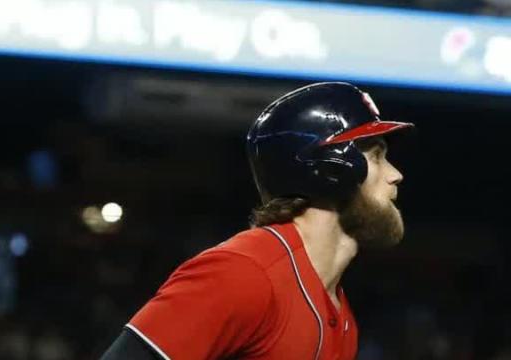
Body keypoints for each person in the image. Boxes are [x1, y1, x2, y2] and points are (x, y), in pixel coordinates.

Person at [101, 82, 414, 360]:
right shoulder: (242, 273)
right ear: (334, 168)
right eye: (376, 156)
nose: (395, 174)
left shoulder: (342, 317)